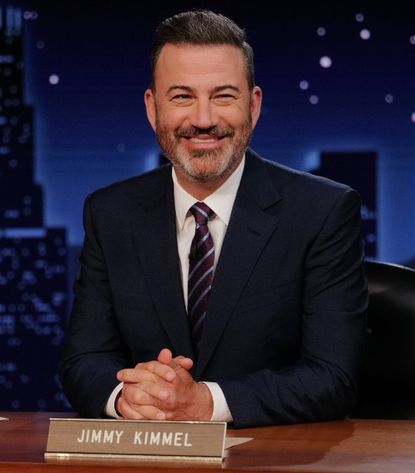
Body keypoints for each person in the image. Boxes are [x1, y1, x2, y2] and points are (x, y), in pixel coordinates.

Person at [59, 10, 367, 427]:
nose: (203, 120)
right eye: (182, 96)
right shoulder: (110, 212)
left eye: (223, 96)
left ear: (253, 106)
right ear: (153, 109)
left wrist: (206, 403)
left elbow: (334, 376)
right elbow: (84, 361)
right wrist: (128, 397)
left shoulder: (322, 212)